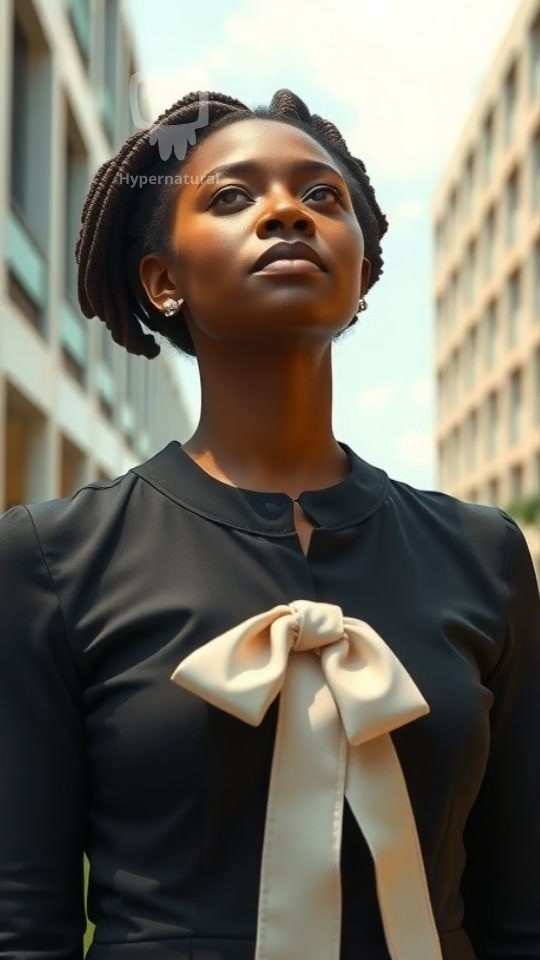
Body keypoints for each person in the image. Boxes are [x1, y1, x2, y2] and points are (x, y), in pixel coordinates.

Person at [0, 88, 538, 960]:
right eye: (231, 196)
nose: (289, 211)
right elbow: (22, 926)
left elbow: (520, 912)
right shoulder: (52, 558)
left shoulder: (485, 555)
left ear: (362, 271)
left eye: (323, 195)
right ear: (162, 281)